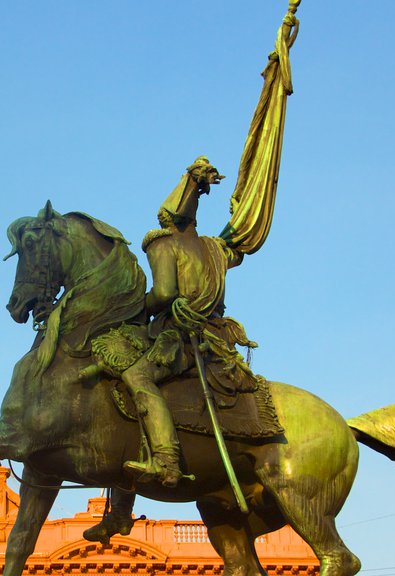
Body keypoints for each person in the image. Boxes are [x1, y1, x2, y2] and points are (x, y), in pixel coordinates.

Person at [85, 156, 243, 543]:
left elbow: (165, 294)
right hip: (218, 341)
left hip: (180, 340)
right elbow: (240, 247)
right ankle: (119, 512)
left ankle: (165, 462)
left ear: (166, 218)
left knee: (132, 380)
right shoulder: (215, 249)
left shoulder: (163, 244)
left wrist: (135, 306)